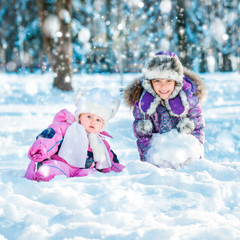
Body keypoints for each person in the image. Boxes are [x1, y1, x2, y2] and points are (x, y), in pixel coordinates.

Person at [124, 51, 206, 169]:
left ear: (177, 82)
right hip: (158, 158)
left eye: (168, 81)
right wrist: (149, 162)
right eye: (157, 81)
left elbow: (197, 130)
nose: (163, 87)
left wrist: (195, 160)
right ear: (150, 82)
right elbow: (143, 137)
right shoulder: (144, 103)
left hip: (185, 155)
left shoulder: (188, 100)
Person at [24, 88, 125, 181]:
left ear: (103, 124)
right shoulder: (66, 127)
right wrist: (42, 149)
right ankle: (45, 175)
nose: (93, 122)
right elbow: (51, 138)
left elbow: (109, 161)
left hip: (83, 170)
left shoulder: (101, 144)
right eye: (89, 116)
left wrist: (118, 169)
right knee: (51, 169)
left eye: (98, 120)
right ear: (80, 116)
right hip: (61, 164)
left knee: (91, 175)